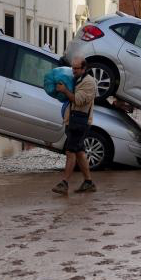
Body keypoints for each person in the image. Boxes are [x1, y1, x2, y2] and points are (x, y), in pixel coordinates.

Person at [52, 57, 97, 195]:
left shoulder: (89, 83)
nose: (73, 71)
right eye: (72, 68)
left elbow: (78, 100)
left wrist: (65, 90)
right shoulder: (77, 79)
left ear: (84, 68)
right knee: (79, 152)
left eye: (76, 68)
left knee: (70, 151)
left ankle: (64, 183)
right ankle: (88, 182)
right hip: (72, 121)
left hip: (80, 123)